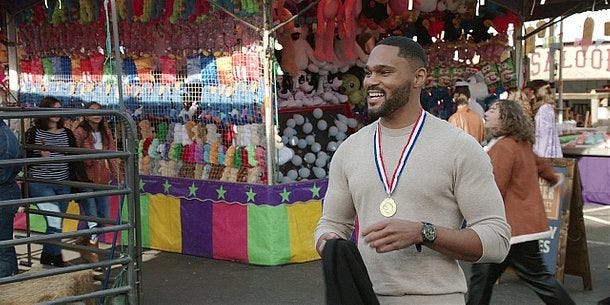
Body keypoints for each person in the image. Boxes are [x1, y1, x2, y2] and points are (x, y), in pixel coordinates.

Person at [314, 36, 511, 305]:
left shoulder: (460, 147)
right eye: (369, 73)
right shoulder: (350, 149)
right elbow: (332, 223)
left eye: (385, 72)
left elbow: (497, 240)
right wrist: (330, 244)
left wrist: (424, 232)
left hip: (436, 298)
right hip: (364, 296)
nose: (371, 81)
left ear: (418, 77)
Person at [467, 99, 575, 305]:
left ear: (505, 118)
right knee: (491, 277)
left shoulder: (504, 147)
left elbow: (495, 187)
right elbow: (543, 166)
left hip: (508, 227)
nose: (487, 113)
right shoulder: (520, 143)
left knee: (484, 279)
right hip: (520, 226)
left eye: (493, 110)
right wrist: (555, 181)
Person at [25, 97, 89, 267]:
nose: (57, 113)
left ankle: (47, 255)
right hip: (40, 183)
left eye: (59, 109)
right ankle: (57, 257)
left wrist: (81, 180)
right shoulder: (33, 133)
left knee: (57, 220)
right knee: (53, 220)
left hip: (63, 182)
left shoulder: (67, 133)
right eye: (53, 109)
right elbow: (23, 156)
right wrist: (38, 155)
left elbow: (74, 158)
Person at [72, 101, 122, 263]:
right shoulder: (80, 132)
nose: (96, 114)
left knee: (103, 216)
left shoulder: (105, 132)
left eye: (99, 111)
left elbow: (112, 155)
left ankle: (84, 240)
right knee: (93, 219)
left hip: (102, 180)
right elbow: (73, 157)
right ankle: (93, 255)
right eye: (92, 111)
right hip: (86, 181)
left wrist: (119, 178)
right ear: (86, 114)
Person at [0, 119, 22, 277]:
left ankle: (5, 286)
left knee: (3, 247)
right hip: (6, 192)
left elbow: (3, 173)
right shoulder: (5, 135)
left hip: (3, 193)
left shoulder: (4, 139)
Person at [530, 80, 563, 158]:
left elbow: (542, 136)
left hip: (543, 154)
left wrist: (538, 158)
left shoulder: (543, 110)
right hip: (550, 153)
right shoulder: (548, 108)